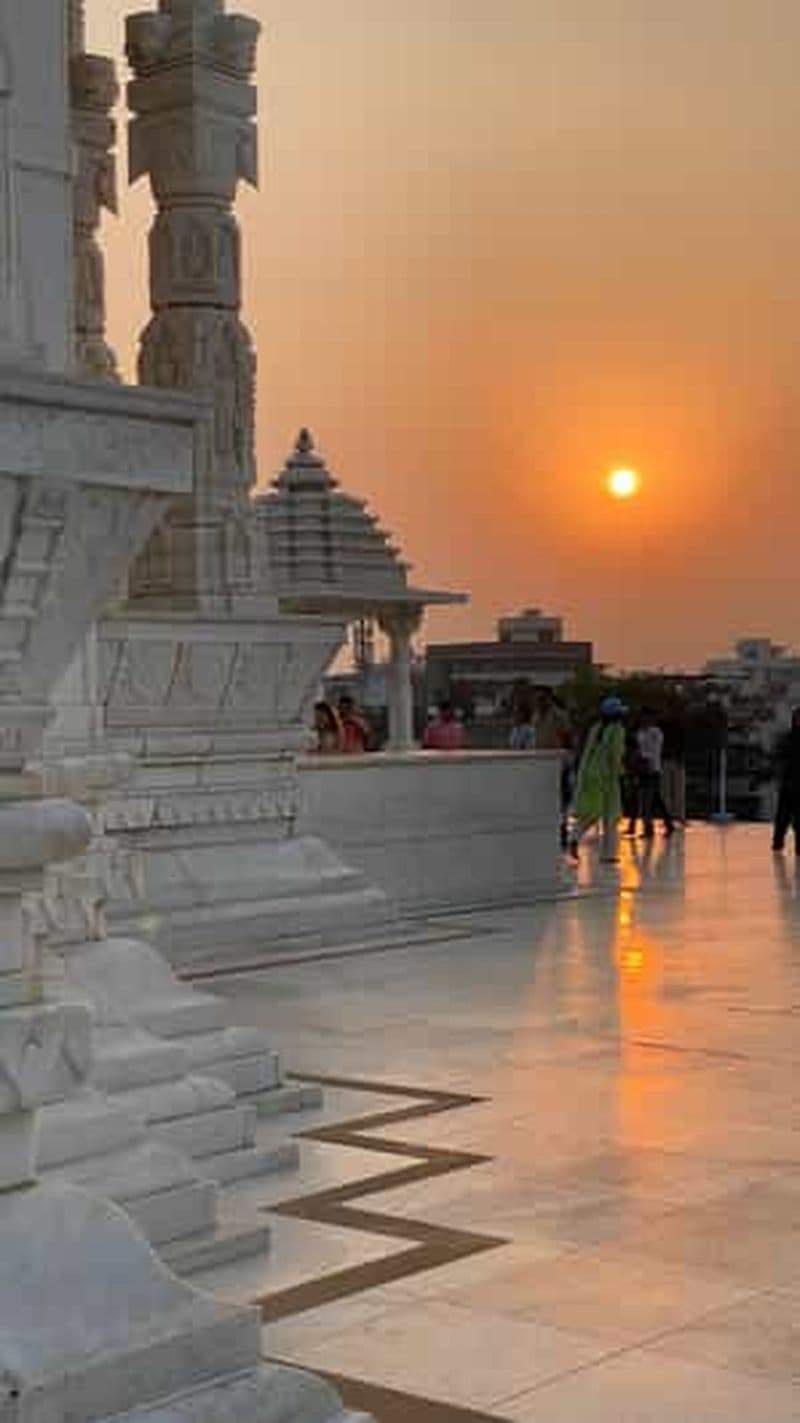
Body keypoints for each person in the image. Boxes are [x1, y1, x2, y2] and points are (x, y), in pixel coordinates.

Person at [569, 695, 627, 862]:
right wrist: (620, 772)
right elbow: (615, 755)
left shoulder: (596, 729)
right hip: (607, 776)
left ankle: (574, 838)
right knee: (611, 816)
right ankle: (608, 854)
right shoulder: (617, 730)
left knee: (590, 813)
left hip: (590, 774)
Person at [636, 708, 675, 839]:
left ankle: (649, 829)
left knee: (648, 800)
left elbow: (653, 750)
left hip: (652, 768)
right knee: (655, 799)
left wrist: (648, 762)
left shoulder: (656, 732)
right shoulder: (640, 732)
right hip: (642, 768)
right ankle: (668, 824)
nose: (644, 720)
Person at [772, 706, 800, 854]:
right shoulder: (787, 739)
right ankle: (778, 842)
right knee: (782, 816)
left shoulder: (786, 739)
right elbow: (779, 760)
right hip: (788, 783)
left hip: (794, 784)